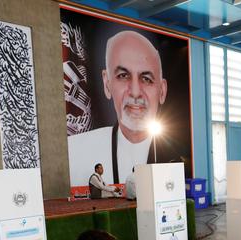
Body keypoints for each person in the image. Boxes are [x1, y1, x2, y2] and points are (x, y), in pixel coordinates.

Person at [68, 30, 170, 187]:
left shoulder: (176, 157)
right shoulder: (75, 152)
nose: (135, 92)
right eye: (123, 76)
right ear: (107, 83)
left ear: (162, 91)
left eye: (146, 79)